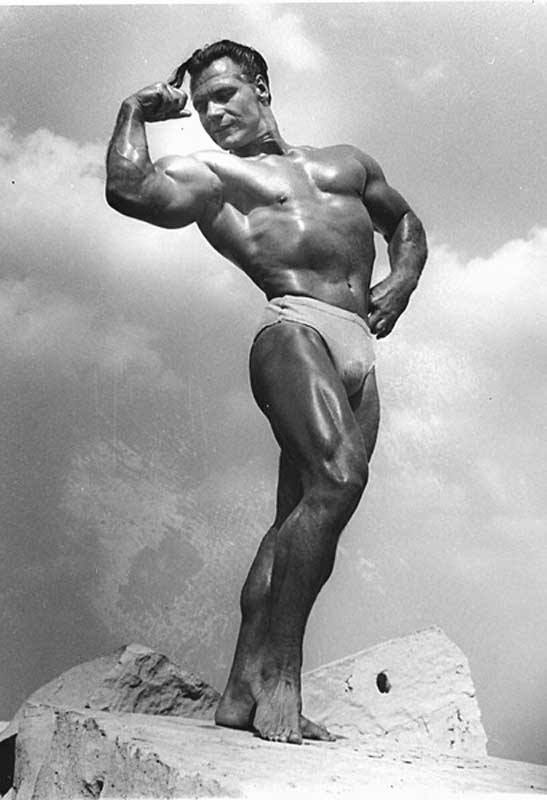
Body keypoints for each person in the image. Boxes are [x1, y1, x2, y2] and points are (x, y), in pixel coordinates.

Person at [106, 39, 427, 745]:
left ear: (260, 87)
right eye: (202, 105)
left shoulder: (346, 162)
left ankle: (239, 690)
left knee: (300, 522)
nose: (213, 113)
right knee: (339, 480)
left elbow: (404, 224)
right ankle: (282, 680)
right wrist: (134, 110)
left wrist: (399, 283)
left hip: (359, 348)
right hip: (293, 331)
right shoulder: (214, 175)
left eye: (225, 94)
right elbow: (130, 190)